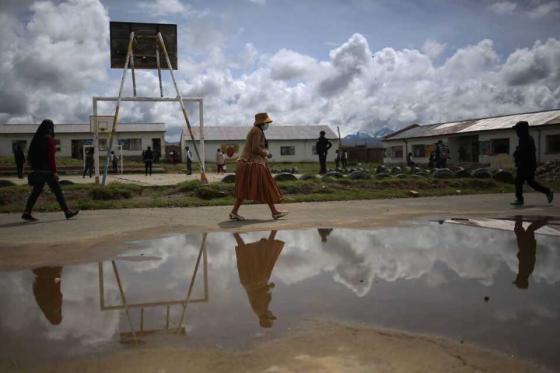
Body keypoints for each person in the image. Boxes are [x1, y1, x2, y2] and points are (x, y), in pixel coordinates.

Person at [229, 112, 287, 220]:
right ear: (262, 123)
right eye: (266, 122)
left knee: (244, 188)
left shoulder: (255, 130)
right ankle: (274, 212)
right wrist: (266, 153)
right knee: (266, 186)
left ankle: (234, 212)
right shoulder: (257, 131)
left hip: (248, 163)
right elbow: (255, 148)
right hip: (252, 164)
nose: (267, 125)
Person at [22, 120, 78, 221]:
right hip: (47, 171)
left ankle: (27, 212)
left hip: (38, 170)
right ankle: (67, 212)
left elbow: (31, 156)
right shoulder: (48, 139)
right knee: (57, 190)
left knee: (36, 191)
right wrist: (54, 172)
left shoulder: (37, 139)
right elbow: (51, 157)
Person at [234, 231, 284, 328]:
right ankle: (272, 234)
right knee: (259, 255)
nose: (272, 314)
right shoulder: (263, 309)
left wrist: (269, 287)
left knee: (248, 255)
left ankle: (273, 233)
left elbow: (258, 294)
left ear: (265, 318)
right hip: (257, 279)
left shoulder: (259, 309)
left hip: (253, 279)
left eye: (270, 316)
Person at [511, 121, 553, 206]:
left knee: (518, 181)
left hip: (526, 165)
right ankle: (547, 191)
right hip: (528, 165)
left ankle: (520, 200)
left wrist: (517, 153)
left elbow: (523, 152)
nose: (516, 132)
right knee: (531, 182)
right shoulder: (524, 138)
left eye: (518, 130)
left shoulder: (526, 139)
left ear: (522, 130)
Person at [513, 216, 548, 289]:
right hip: (526, 246)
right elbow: (529, 258)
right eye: (517, 280)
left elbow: (528, 259)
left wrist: (519, 256)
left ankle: (519, 219)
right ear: (521, 280)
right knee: (528, 229)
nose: (516, 278)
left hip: (525, 246)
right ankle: (543, 221)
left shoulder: (525, 272)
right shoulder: (525, 271)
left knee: (520, 230)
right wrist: (521, 255)